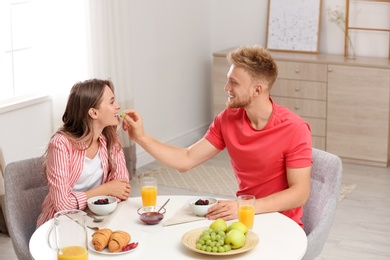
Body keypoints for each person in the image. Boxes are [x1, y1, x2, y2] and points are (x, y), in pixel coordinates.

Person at [122, 45, 312, 227]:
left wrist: (244, 207)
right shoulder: (227, 120)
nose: (226, 87)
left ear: (257, 89)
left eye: (234, 82)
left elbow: (299, 193)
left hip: (281, 223)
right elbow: (186, 159)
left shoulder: (294, 128)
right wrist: (141, 138)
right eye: (229, 80)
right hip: (244, 216)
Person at [37, 79, 131, 227]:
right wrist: (105, 189)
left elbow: (122, 188)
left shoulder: (110, 136)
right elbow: (63, 206)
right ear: (93, 112)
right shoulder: (61, 144)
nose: (118, 106)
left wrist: (92, 199)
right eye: (112, 102)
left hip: (99, 217)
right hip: (62, 225)